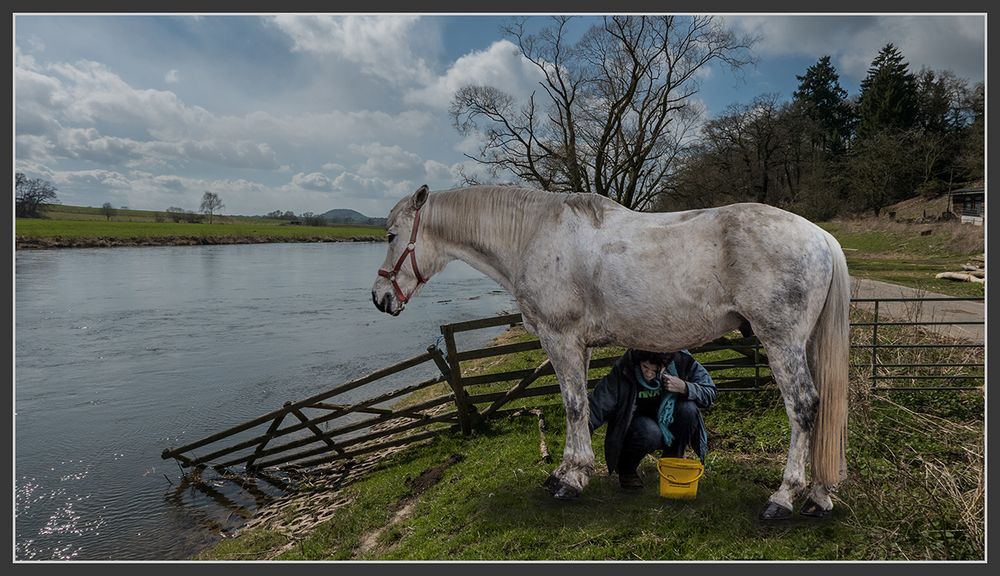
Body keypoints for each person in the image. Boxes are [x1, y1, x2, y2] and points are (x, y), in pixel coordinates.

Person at [588, 348, 717, 489]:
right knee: (650, 431)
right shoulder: (626, 368)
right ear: (639, 361)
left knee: (689, 410)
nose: (649, 374)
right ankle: (627, 469)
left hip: (670, 419)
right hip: (637, 425)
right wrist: (583, 431)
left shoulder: (682, 360)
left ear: (666, 365)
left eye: (655, 370)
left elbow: (710, 392)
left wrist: (685, 387)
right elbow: (599, 404)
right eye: (645, 367)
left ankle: (672, 463)